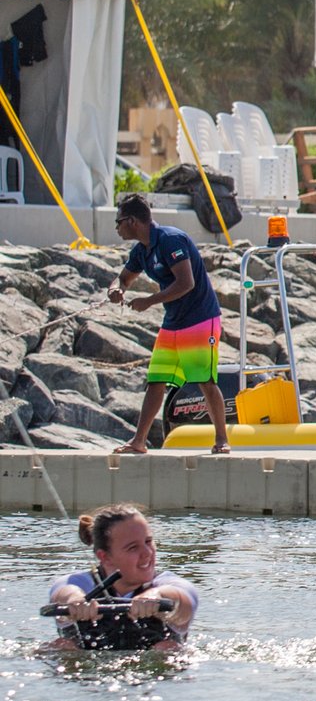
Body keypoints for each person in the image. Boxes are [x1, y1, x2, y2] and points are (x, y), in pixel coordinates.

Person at [107, 194, 229, 455]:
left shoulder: (170, 240)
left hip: (200, 319)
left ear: (132, 221)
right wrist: (116, 289)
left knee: (205, 380)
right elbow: (123, 279)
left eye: (118, 222)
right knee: (156, 380)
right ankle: (138, 442)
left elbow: (186, 283)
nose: (116, 228)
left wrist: (149, 301)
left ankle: (221, 440)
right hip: (173, 322)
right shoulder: (141, 250)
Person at [45, 504, 199, 651]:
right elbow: (62, 593)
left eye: (148, 542)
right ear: (104, 556)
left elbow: (183, 604)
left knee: (168, 648)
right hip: (88, 673)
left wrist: (156, 596)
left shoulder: (169, 584)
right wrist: (74, 601)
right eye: (133, 547)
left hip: (151, 673)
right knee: (61, 646)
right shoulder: (79, 583)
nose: (147, 553)